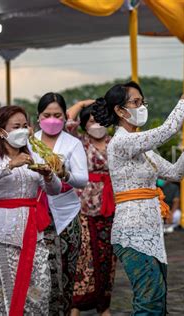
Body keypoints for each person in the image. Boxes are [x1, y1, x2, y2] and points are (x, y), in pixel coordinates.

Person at [92, 81, 184, 315]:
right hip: (132, 231)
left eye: (142, 102)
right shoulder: (122, 142)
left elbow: (175, 174)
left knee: (157, 299)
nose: (141, 106)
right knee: (149, 301)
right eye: (135, 102)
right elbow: (166, 131)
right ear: (120, 111)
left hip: (151, 231)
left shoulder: (143, 149)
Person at [0, 106, 61, 315]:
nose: (22, 130)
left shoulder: (33, 157)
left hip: (32, 234)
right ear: (2, 132)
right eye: (16, 127)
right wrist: (10, 165)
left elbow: (54, 190)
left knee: (40, 289)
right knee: (6, 293)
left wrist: (49, 176)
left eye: (24, 126)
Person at [32, 92, 88, 315]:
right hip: (35, 213)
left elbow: (82, 179)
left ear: (65, 117)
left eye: (57, 115)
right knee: (39, 273)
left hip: (66, 214)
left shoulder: (72, 144)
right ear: (38, 117)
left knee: (65, 273)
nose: (52, 120)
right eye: (47, 115)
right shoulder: (29, 143)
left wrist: (65, 174)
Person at [66, 99, 116, 316]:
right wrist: (86, 103)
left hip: (112, 204)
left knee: (108, 258)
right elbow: (68, 120)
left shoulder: (115, 142)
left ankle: (104, 305)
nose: (96, 124)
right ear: (85, 124)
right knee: (84, 255)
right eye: (91, 120)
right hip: (84, 205)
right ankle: (76, 305)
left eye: (100, 120)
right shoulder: (79, 142)